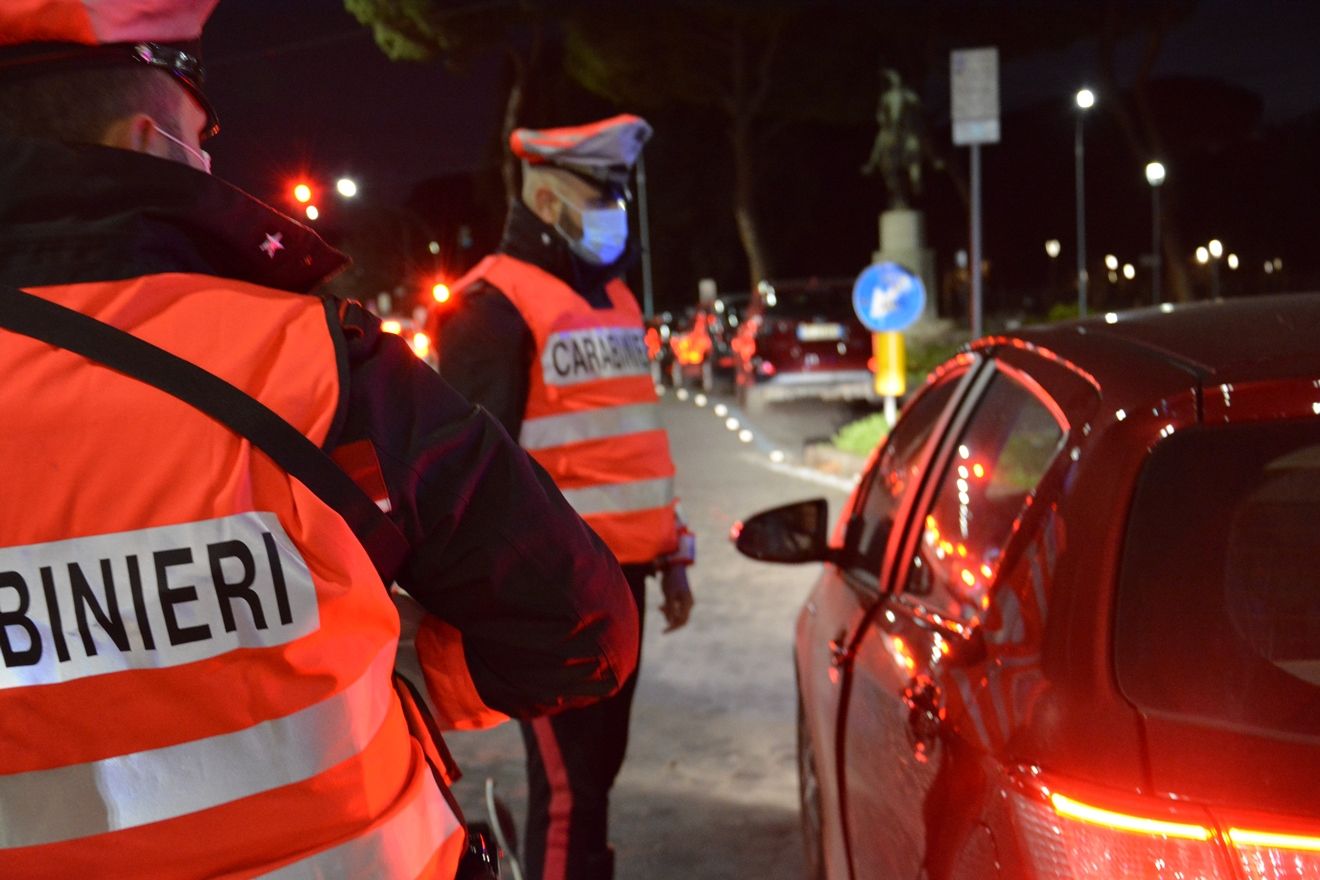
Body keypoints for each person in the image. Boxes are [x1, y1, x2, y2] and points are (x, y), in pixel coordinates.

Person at [0, 3, 639, 878]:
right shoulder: (309, 356)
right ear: (149, 142)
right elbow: (580, 626)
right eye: (202, 135)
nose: (214, 161)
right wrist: (396, 670)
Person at [436, 115, 696, 880]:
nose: (614, 208)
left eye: (618, 192)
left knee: (596, 777)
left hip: (626, 583)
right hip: (551, 594)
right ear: (547, 201)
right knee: (566, 786)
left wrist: (674, 551)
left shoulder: (613, 297)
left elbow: (634, 444)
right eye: (599, 193)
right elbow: (470, 478)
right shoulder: (493, 304)